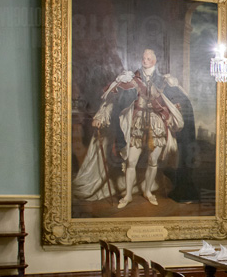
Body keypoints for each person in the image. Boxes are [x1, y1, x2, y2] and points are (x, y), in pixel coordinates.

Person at [73, 49, 195, 209]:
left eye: (148, 58)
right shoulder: (130, 79)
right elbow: (113, 100)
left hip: (156, 124)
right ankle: (128, 195)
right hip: (137, 123)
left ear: (154, 61)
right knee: (131, 161)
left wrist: (176, 108)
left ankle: (148, 192)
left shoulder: (165, 81)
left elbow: (175, 102)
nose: (145, 60)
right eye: (143, 58)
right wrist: (100, 117)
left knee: (153, 161)